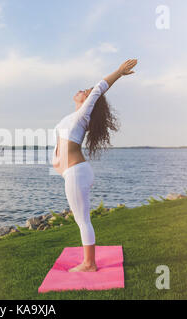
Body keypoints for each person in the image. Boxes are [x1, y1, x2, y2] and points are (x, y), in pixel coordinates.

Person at [52, 59, 138, 272]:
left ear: (91, 100)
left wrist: (118, 72)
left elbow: (100, 88)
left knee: (82, 220)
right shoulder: (70, 118)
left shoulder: (82, 117)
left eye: (87, 91)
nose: (83, 90)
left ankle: (89, 264)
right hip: (72, 173)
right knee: (81, 219)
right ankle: (88, 260)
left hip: (76, 173)